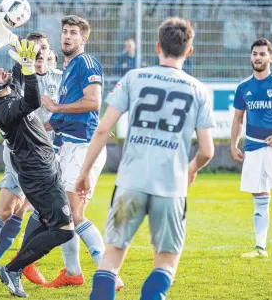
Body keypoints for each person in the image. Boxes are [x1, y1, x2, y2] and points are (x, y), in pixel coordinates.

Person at [75, 16, 215, 300]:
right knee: (165, 261)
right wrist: (191, 168)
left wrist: (84, 172)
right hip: (171, 188)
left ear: (157, 46)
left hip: (131, 183)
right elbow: (207, 151)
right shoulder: (198, 89)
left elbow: (103, 128)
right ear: (189, 50)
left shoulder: (134, 77)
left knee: (112, 257)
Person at [0, 39, 74, 298]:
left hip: (47, 167)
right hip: (38, 174)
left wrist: (12, 38)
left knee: (45, 220)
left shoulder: (7, 90)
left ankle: (17, 265)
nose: (1, 71)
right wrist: (27, 70)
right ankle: (14, 268)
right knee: (64, 229)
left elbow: (25, 60)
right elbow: (33, 100)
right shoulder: (2, 108)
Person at [41, 15, 123, 290]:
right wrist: (37, 129)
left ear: (83, 38)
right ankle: (73, 272)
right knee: (65, 213)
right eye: (64, 32)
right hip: (70, 146)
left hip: (83, 147)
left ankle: (109, 273)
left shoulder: (86, 62)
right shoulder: (69, 70)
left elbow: (93, 102)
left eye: (73, 33)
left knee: (74, 213)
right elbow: (60, 117)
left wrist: (55, 108)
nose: (67, 36)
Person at [231, 38, 272, 258]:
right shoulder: (243, 88)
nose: (257, 57)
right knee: (259, 197)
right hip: (253, 148)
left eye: (262, 54)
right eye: (254, 53)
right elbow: (237, 118)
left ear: (270, 57)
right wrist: (233, 144)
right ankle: (260, 247)